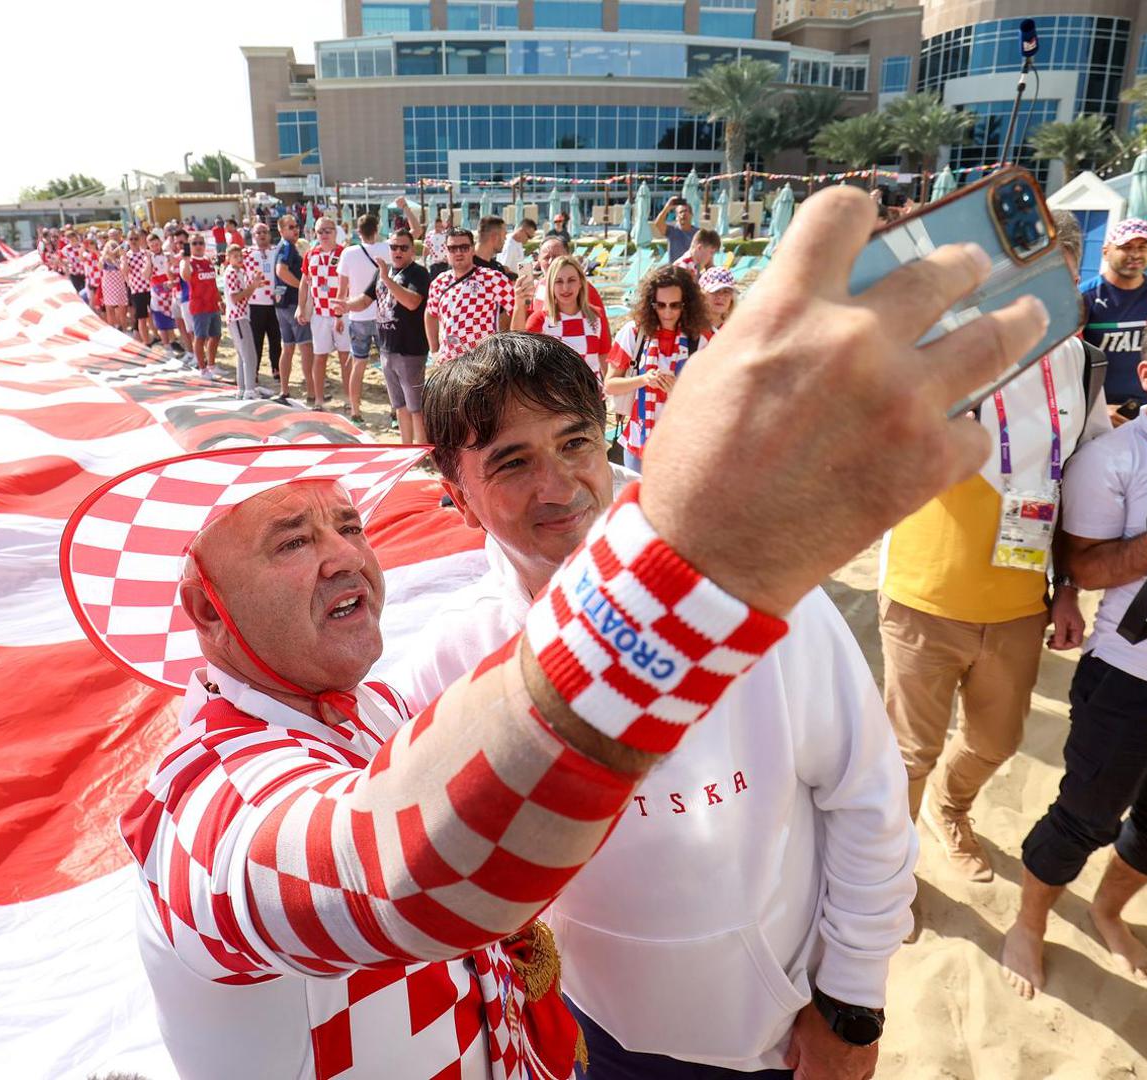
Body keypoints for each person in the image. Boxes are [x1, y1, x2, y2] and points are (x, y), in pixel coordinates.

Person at [78, 184, 1053, 1080]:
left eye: (345, 524)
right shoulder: (200, 799)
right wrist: (694, 567)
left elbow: (866, 801)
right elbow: (398, 879)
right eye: (291, 540)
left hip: (738, 1036)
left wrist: (849, 1006)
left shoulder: (370, 708)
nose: (342, 557)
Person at [404, 333, 915, 1079]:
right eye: (511, 462)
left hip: (781, 1035)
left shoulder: (754, 594)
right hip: (589, 1032)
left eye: (574, 442)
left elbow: (868, 797)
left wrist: (852, 1003)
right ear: (457, 497)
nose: (559, 486)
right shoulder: (453, 663)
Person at [1000, 306, 1147, 1000]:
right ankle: (1028, 924)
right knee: (1083, 819)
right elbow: (1085, 567)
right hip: (1135, 679)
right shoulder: (1113, 457)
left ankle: (1107, 910)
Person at [878, 210, 1111, 890]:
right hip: (926, 588)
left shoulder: (1085, 365)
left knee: (996, 741)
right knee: (908, 753)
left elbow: (1087, 486)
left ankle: (951, 811)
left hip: (1018, 599)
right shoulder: (949, 348)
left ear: (1074, 276)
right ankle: (893, 878)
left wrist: (1067, 586)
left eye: (1059, 273)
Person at [603, 265, 710, 472]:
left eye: (675, 305)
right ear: (650, 304)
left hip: (682, 444)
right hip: (638, 443)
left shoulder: (700, 339)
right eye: (660, 305)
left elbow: (712, 395)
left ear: (686, 304)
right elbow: (610, 385)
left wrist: (679, 390)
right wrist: (643, 380)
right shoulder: (634, 333)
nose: (667, 312)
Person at [1081, 218, 1147, 416]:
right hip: (1101, 410)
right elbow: (1071, 360)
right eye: (1125, 247)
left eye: (1143, 247)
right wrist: (1096, 408)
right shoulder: (1085, 297)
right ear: (1105, 251)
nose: (1135, 254)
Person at [352, 226, 431, 444]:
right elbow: (365, 300)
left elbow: (412, 302)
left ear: (411, 251)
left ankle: (421, 449)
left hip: (410, 349)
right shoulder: (384, 272)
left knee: (416, 407)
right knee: (399, 405)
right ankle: (407, 448)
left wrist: (387, 279)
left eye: (403, 248)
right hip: (387, 347)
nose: (397, 251)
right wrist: (344, 306)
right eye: (393, 247)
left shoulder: (418, 272)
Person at [424, 227, 515, 365]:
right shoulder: (439, 282)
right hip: (449, 363)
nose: (459, 252)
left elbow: (517, 309)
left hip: (482, 361)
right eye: (453, 248)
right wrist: (434, 350)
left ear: (472, 249)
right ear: (446, 250)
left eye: (464, 247)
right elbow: (430, 314)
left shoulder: (493, 278)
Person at [523, 254, 610, 380]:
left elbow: (604, 357)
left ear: (581, 282)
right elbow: (522, 359)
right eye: (558, 281)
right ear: (551, 286)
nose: (565, 288)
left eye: (571, 280)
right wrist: (520, 305)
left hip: (592, 395)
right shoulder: (539, 320)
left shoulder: (597, 316)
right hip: (556, 397)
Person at [338, 214, 389, 424]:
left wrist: (338, 315)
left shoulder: (349, 253)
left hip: (358, 314)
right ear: (376, 228)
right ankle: (395, 411)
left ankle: (355, 411)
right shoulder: (386, 249)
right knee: (387, 366)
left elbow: (342, 290)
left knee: (358, 364)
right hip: (382, 314)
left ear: (358, 232)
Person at [299, 217, 349, 412]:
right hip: (319, 313)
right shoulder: (310, 254)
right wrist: (300, 306)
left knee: (345, 357)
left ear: (335, 232)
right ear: (315, 234)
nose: (324, 235)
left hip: (341, 313)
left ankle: (349, 398)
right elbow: (304, 282)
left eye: (328, 231)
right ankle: (319, 400)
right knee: (319, 356)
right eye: (320, 232)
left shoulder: (344, 253)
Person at [272, 213, 315, 404]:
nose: (295, 229)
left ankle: (285, 390)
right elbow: (281, 270)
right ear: (281, 230)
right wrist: (302, 288)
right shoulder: (288, 247)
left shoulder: (282, 246)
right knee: (306, 347)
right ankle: (312, 393)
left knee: (287, 348)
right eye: (290, 227)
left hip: (281, 304)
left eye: (296, 226)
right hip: (291, 304)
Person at [220, 245, 271, 400]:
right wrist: (253, 287)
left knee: (244, 355)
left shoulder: (238, 272)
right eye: (235, 256)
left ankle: (244, 388)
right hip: (238, 317)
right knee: (249, 355)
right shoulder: (232, 273)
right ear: (228, 258)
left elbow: (241, 297)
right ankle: (248, 389)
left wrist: (252, 287)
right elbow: (237, 297)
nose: (239, 259)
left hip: (240, 315)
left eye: (240, 255)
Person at [179, 233, 224, 381]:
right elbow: (185, 277)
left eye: (201, 243)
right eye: (195, 243)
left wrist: (220, 300)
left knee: (216, 336)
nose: (198, 246)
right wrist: (185, 259)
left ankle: (211, 365)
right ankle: (202, 368)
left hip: (212, 304)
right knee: (200, 337)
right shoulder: (188, 262)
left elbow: (213, 283)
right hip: (199, 306)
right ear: (190, 246)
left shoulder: (208, 261)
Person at [248, 221, 283, 386]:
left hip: (274, 303)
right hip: (255, 303)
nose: (262, 235)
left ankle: (277, 368)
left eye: (264, 232)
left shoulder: (277, 251)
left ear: (269, 234)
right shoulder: (246, 253)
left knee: (275, 338)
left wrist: (280, 294)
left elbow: (282, 275)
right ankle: (253, 370)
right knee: (256, 340)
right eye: (258, 232)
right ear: (253, 236)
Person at [124, 231, 154, 344]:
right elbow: (125, 272)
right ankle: (147, 343)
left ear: (140, 239)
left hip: (150, 288)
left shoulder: (146, 253)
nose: (133, 241)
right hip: (137, 290)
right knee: (141, 318)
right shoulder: (126, 256)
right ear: (127, 240)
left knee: (152, 315)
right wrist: (123, 258)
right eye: (131, 239)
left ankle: (155, 336)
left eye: (135, 238)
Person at [652, 196, 697, 264]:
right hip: (675, 271)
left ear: (691, 215)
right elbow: (658, 223)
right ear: (676, 217)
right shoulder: (672, 231)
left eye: (685, 211)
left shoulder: (698, 233)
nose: (683, 214)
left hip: (691, 271)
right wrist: (667, 207)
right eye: (680, 212)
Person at [698, 267, 738, 337]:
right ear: (702, 295)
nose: (720, 297)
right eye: (715, 291)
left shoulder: (734, 331)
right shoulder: (692, 328)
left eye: (726, 292)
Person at [474, 215, 516, 279]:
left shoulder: (498, 268)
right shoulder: (466, 267)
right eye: (504, 235)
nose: (505, 239)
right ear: (495, 237)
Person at [100, 237, 129, 331]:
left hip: (119, 286)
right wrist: (106, 255)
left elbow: (122, 269)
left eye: (113, 247)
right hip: (108, 287)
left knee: (122, 310)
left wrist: (114, 257)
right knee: (109, 309)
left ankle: (124, 329)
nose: (112, 249)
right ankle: (112, 329)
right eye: (110, 247)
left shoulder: (120, 259)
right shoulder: (104, 260)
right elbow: (99, 267)